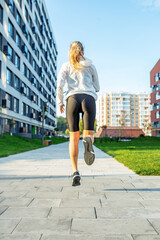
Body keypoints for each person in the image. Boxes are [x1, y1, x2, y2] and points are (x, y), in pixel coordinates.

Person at [57, 41, 100, 186]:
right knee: (88, 134)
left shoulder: (66, 66)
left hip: (72, 100)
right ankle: (88, 142)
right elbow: (97, 87)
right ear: (83, 51)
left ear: (70, 50)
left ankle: (75, 171)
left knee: (73, 138)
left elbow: (59, 85)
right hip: (88, 98)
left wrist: (60, 102)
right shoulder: (90, 65)